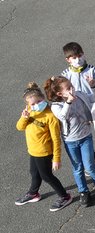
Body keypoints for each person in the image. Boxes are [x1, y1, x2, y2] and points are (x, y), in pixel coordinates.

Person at [45, 76, 95, 206]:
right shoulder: (56, 106)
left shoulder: (79, 94)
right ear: (59, 93)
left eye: (71, 86)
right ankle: (83, 191)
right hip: (71, 141)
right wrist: (68, 102)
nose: (72, 89)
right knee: (78, 167)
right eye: (68, 88)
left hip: (86, 136)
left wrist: (93, 86)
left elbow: (93, 98)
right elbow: (63, 116)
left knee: (90, 164)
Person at [15, 83, 72, 211]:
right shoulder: (29, 111)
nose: (36, 105)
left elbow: (56, 139)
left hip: (44, 153)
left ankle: (64, 196)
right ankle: (33, 193)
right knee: (34, 172)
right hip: (33, 151)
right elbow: (19, 127)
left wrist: (57, 158)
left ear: (43, 98)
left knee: (46, 176)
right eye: (32, 104)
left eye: (39, 101)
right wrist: (24, 118)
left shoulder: (50, 116)